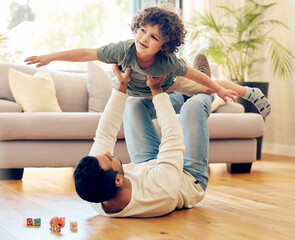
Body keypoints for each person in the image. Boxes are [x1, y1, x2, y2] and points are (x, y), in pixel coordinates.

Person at [24, 6, 271, 118]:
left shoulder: (167, 63)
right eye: (142, 30)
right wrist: (51, 57)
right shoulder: (122, 50)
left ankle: (250, 92)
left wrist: (218, 90)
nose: (144, 38)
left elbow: (197, 77)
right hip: (136, 92)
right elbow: (86, 54)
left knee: (204, 86)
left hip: (167, 84)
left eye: (153, 37)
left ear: (163, 46)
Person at [73, 64, 205, 217]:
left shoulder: (93, 191)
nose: (108, 152)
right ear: (118, 180)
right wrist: (157, 90)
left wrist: (121, 86)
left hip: (148, 166)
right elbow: (172, 137)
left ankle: (183, 93)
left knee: (133, 104)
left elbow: (105, 134)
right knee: (193, 106)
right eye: (109, 158)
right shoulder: (161, 190)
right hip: (187, 176)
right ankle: (204, 89)